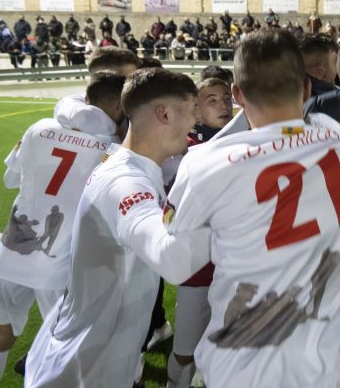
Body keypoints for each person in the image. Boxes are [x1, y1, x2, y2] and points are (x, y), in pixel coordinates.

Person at [166, 29, 340, 387]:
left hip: (240, 368)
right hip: (328, 368)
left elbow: (175, 263)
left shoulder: (203, 163)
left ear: (238, 95)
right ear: (306, 88)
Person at [25, 69, 212, 387]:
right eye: (192, 109)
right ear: (164, 113)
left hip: (99, 355)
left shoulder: (131, 164)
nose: (196, 121)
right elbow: (172, 262)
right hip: (84, 367)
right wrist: (234, 218)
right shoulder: (126, 182)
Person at [0, 72, 126, 387]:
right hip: (61, 266)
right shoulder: (113, 150)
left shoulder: (38, 128)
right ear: (120, 106)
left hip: (11, 253)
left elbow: (9, 179)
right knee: (60, 353)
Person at [166, 77, 234, 387]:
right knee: (185, 351)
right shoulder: (181, 146)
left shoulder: (249, 139)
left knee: (231, 351)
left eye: (226, 98)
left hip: (237, 269)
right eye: (212, 100)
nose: (223, 105)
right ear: (195, 108)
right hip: (199, 270)